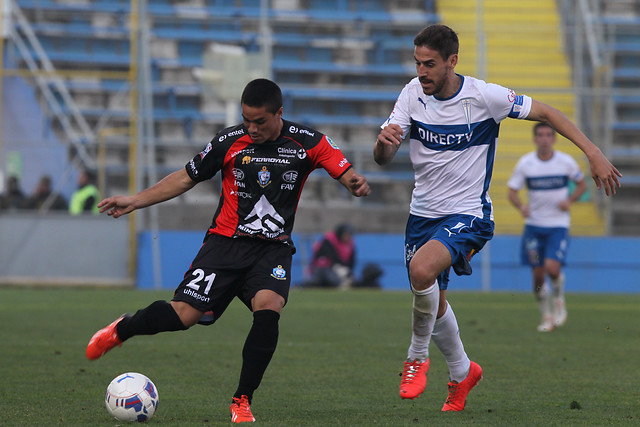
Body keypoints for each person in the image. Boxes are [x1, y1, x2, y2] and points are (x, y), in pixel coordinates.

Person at [85, 78, 370, 423]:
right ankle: (122, 329)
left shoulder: (308, 142)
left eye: (259, 121)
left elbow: (344, 169)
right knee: (184, 316)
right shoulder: (229, 142)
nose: (251, 128)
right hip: (224, 245)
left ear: (279, 113)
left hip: (272, 249)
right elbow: (185, 178)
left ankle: (242, 399)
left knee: (269, 307)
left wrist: (353, 182)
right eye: (246, 119)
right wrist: (135, 200)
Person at [374, 24, 620, 412]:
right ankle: (461, 371)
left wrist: (592, 151)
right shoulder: (410, 94)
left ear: (452, 61)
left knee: (421, 272)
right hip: (421, 215)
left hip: (468, 213)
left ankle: (416, 357)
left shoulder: (485, 97)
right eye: (418, 63)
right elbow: (383, 158)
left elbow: (548, 112)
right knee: (431, 299)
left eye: (430, 64)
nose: (422, 72)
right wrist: (383, 145)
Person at [507, 122, 587, 332]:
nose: (544, 139)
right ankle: (547, 316)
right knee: (538, 278)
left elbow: (582, 185)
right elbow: (512, 192)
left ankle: (559, 299)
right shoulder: (526, 164)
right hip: (534, 228)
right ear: (535, 139)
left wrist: (569, 201)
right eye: (540, 135)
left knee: (552, 268)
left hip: (557, 227)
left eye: (548, 135)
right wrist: (521, 207)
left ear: (554, 138)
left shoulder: (565, 162)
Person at [303, 223, 356, 288]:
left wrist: (348, 269)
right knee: (331, 280)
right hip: (324, 267)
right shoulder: (329, 240)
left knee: (347, 275)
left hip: (339, 267)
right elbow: (333, 256)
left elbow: (352, 260)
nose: (348, 237)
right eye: (346, 235)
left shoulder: (350, 243)